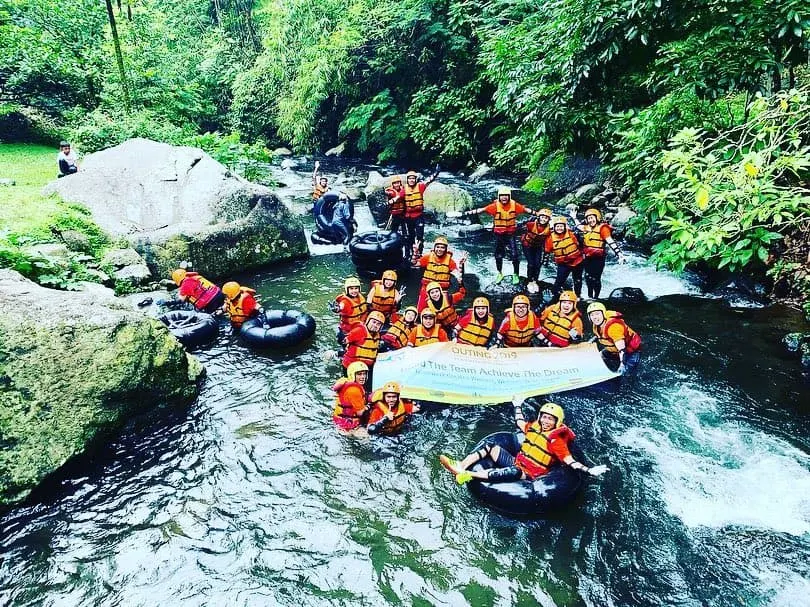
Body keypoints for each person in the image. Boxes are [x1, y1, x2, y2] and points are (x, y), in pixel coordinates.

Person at [439, 398, 608, 484]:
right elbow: (520, 422)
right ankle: (461, 465)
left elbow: (569, 461)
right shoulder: (535, 426)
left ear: (557, 422)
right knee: (490, 446)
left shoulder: (556, 440)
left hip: (530, 474)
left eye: (550, 419)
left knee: (512, 472)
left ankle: (467, 475)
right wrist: (517, 405)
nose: (546, 421)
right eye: (544, 417)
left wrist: (589, 470)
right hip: (517, 461)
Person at [460, 187, 538, 285]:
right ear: (499, 197)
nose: (504, 198)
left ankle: (516, 274)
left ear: (509, 196)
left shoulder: (515, 205)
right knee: (498, 255)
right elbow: (481, 210)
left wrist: (538, 214)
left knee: (515, 255)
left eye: (506, 196)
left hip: (510, 234)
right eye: (502, 196)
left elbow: (526, 210)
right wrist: (465, 213)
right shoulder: (494, 206)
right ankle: (500, 273)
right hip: (499, 234)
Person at [571, 208, 626, 299]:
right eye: (589, 219)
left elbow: (610, 241)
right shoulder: (586, 228)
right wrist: (574, 217)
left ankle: (596, 297)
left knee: (596, 279)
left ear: (597, 218)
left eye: (592, 218)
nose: (591, 220)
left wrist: (619, 254)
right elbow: (578, 226)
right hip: (588, 257)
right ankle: (590, 296)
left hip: (598, 259)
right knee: (588, 277)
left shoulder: (603, 228)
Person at [587, 302, 642, 375]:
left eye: (597, 314)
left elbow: (622, 350)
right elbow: (601, 335)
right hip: (614, 349)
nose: (595, 317)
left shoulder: (613, 327)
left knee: (626, 373)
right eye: (592, 315)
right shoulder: (597, 325)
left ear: (603, 314)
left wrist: (622, 364)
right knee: (598, 357)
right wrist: (591, 341)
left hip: (630, 351)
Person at [415, 236, 466, 309]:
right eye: (438, 247)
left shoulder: (450, 262)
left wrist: (461, 265)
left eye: (442, 247)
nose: (439, 249)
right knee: (421, 310)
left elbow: (459, 276)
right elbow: (415, 264)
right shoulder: (428, 257)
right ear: (434, 248)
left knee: (440, 312)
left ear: (446, 249)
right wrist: (415, 252)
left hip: (441, 292)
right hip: (426, 289)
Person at [544, 216, 585, 299]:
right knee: (559, 281)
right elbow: (547, 251)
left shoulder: (572, 234)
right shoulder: (550, 239)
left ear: (565, 227)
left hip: (577, 261)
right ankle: (554, 296)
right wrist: (545, 261)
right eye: (557, 226)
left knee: (578, 280)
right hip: (563, 264)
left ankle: (577, 296)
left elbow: (580, 244)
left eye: (561, 226)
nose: (559, 228)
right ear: (554, 227)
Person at [403, 166, 440, 257]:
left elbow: (429, 180)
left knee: (419, 236)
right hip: (408, 217)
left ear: (415, 179)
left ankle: (419, 253)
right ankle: (411, 253)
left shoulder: (420, 186)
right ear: (407, 180)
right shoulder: (404, 189)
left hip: (418, 216)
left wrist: (436, 172)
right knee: (410, 236)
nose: (411, 180)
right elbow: (398, 197)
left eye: (413, 178)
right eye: (410, 179)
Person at [331, 361, 370, 432]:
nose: (363, 377)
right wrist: (368, 407)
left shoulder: (345, 382)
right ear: (352, 374)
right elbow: (360, 413)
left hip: (339, 421)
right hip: (349, 426)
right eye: (359, 374)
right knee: (366, 440)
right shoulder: (354, 390)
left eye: (364, 374)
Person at [521, 208, 552, 293]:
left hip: (537, 247)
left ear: (548, 220)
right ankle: (529, 281)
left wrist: (547, 254)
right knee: (531, 264)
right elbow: (519, 228)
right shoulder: (530, 224)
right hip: (527, 246)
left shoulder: (549, 229)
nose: (543, 219)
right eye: (542, 217)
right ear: (538, 217)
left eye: (546, 218)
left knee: (538, 264)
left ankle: (535, 281)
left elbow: (548, 242)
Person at [331, 276, 369, 345]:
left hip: (359, 326)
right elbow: (341, 306)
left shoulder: (360, 298)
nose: (354, 291)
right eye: (351, 289)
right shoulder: (345, 301)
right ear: (347, 290)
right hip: (348, 330)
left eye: (356, 288)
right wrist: (337, 309)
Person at [385, 175, 407, 243]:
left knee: (405, 230)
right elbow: (387, 194)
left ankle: (405, 240)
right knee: (394, 230)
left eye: (398, 183)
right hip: (395, 215)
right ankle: (393, 241)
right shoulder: (390, 191)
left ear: (400, 183)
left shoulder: (404, 190)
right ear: (393, 184)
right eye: (395, 183)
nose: (396, 184)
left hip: (403, 213)